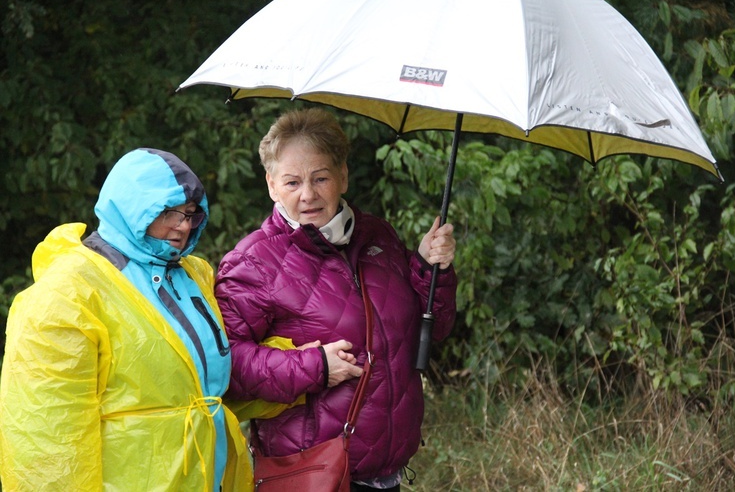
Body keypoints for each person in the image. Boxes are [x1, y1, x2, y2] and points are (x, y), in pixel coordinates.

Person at [214, 108, 458, 490]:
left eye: (321, 178)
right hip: (311, 472)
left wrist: (429, 268)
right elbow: (223, 364)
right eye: (292, 182)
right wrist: (314, 367)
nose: (308, 195)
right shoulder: (253, 262)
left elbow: (434, 328)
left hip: (385, 472)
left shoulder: (378, 236)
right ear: (271, 185)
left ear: (343, 175)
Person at [0, 148, 256, 491]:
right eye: (169, 213)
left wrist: (308, 363)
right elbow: (47, 442)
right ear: (132, 208)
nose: (182, 225)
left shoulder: (193, 276)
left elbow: (215, 385)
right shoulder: (67, 293)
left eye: (191, 214)